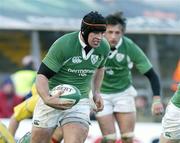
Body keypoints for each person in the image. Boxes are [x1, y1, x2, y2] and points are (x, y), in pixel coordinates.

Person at [30, 11, 110, 143]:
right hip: (53, 96)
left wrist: (96, 93)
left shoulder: (104, 47)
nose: (100, 37)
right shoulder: (64, 45)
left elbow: (100, 68)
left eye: (102, 33)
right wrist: (47, 98)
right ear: (84, 31)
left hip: (80, 101)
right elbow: (42, 75)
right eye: (95, 32)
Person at [95, 11, 164, 143]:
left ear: (123, 33)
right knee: (109, 139)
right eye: (110, 32)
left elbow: (151, 74)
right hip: (101, 94)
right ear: (103, 32)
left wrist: (156, 100)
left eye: (117, 32)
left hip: (123, 93)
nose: (113, 36)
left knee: (127, 138)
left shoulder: (129, 46)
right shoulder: (95, 45)